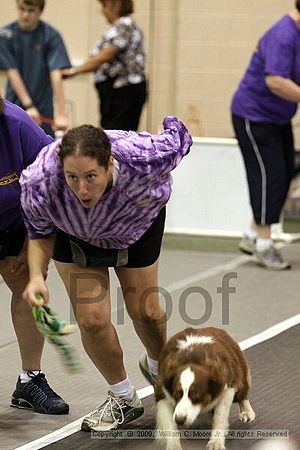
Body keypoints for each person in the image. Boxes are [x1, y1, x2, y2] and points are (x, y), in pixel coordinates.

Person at [20, 117, 192, 431]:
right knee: (92, 319)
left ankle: (159, 368)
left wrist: (172, 123)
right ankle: (123, 397)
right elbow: (39, 233)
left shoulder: (144, 157)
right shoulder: (41, 180)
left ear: (109, 164)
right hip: (75, 233)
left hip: (137, 223)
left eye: (90, 177)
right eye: (72, 177)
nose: (82, 189)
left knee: (148, 313)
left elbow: (179, 136)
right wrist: (36, 277)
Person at [0, 95, 69, 414]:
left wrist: (33, 242)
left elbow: (52, 187)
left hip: (16, 219)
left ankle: (30, 380)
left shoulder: (18, 126)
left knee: (31, 291)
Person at [230, 2, 300, 270]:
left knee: (286, 172)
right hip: (253, 116)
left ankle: (251, 235)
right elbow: (275, 81)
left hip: (278, 117)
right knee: (269, 176)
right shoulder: (283, 35)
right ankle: (263, 244)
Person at [61, 0, 147, 131]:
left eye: (105, 5)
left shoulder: (124, 25)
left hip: (123, 92)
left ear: (117, 4)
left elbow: (106, 55)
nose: (103, 11)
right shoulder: (119, 26)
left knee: (117, 135)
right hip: (115, 93)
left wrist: (74, 71)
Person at [0, 0, 71, 138]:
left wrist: (61, 114)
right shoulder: (5, 35)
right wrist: (29, 106)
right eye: (22, 9)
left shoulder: (51, 35)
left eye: (31, 11)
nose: (25, 15)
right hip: (15, 107)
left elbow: (56, 74)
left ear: (40, 11)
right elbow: (12, 72)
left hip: (43, 110)